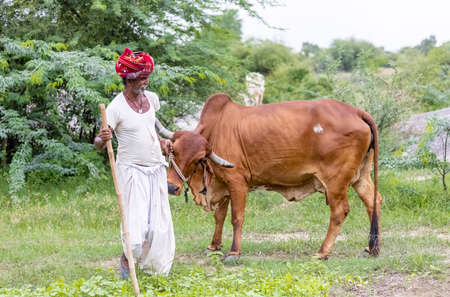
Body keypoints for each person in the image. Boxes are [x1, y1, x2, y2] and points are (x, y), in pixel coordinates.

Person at [94, 48, 175, 278]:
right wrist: (103, 137)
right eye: (142, 78)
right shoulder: (116, 107)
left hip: (156, 169)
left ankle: (154, 273)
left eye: (147, 77)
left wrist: (161, 142)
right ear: (128, 79)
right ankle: (126, 268)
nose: (146, 82)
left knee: (157, 227)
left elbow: (148, 128)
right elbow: (99, 141)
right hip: (132, 173)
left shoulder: (151, 99)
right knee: (136, 229)